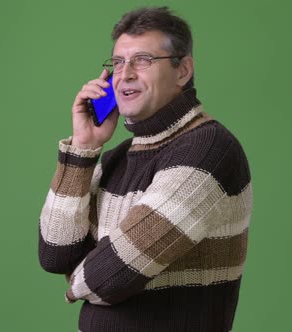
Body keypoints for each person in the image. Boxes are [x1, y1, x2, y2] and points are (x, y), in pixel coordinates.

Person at [38, 6, 252, 332]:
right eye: (118, 63)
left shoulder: (207, 150)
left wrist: (75, 283)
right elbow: (55, 255)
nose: (125, 74)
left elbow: (111, 276)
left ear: (183, 71)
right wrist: (83, 148)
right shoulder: (117, 158)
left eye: (143, 60)